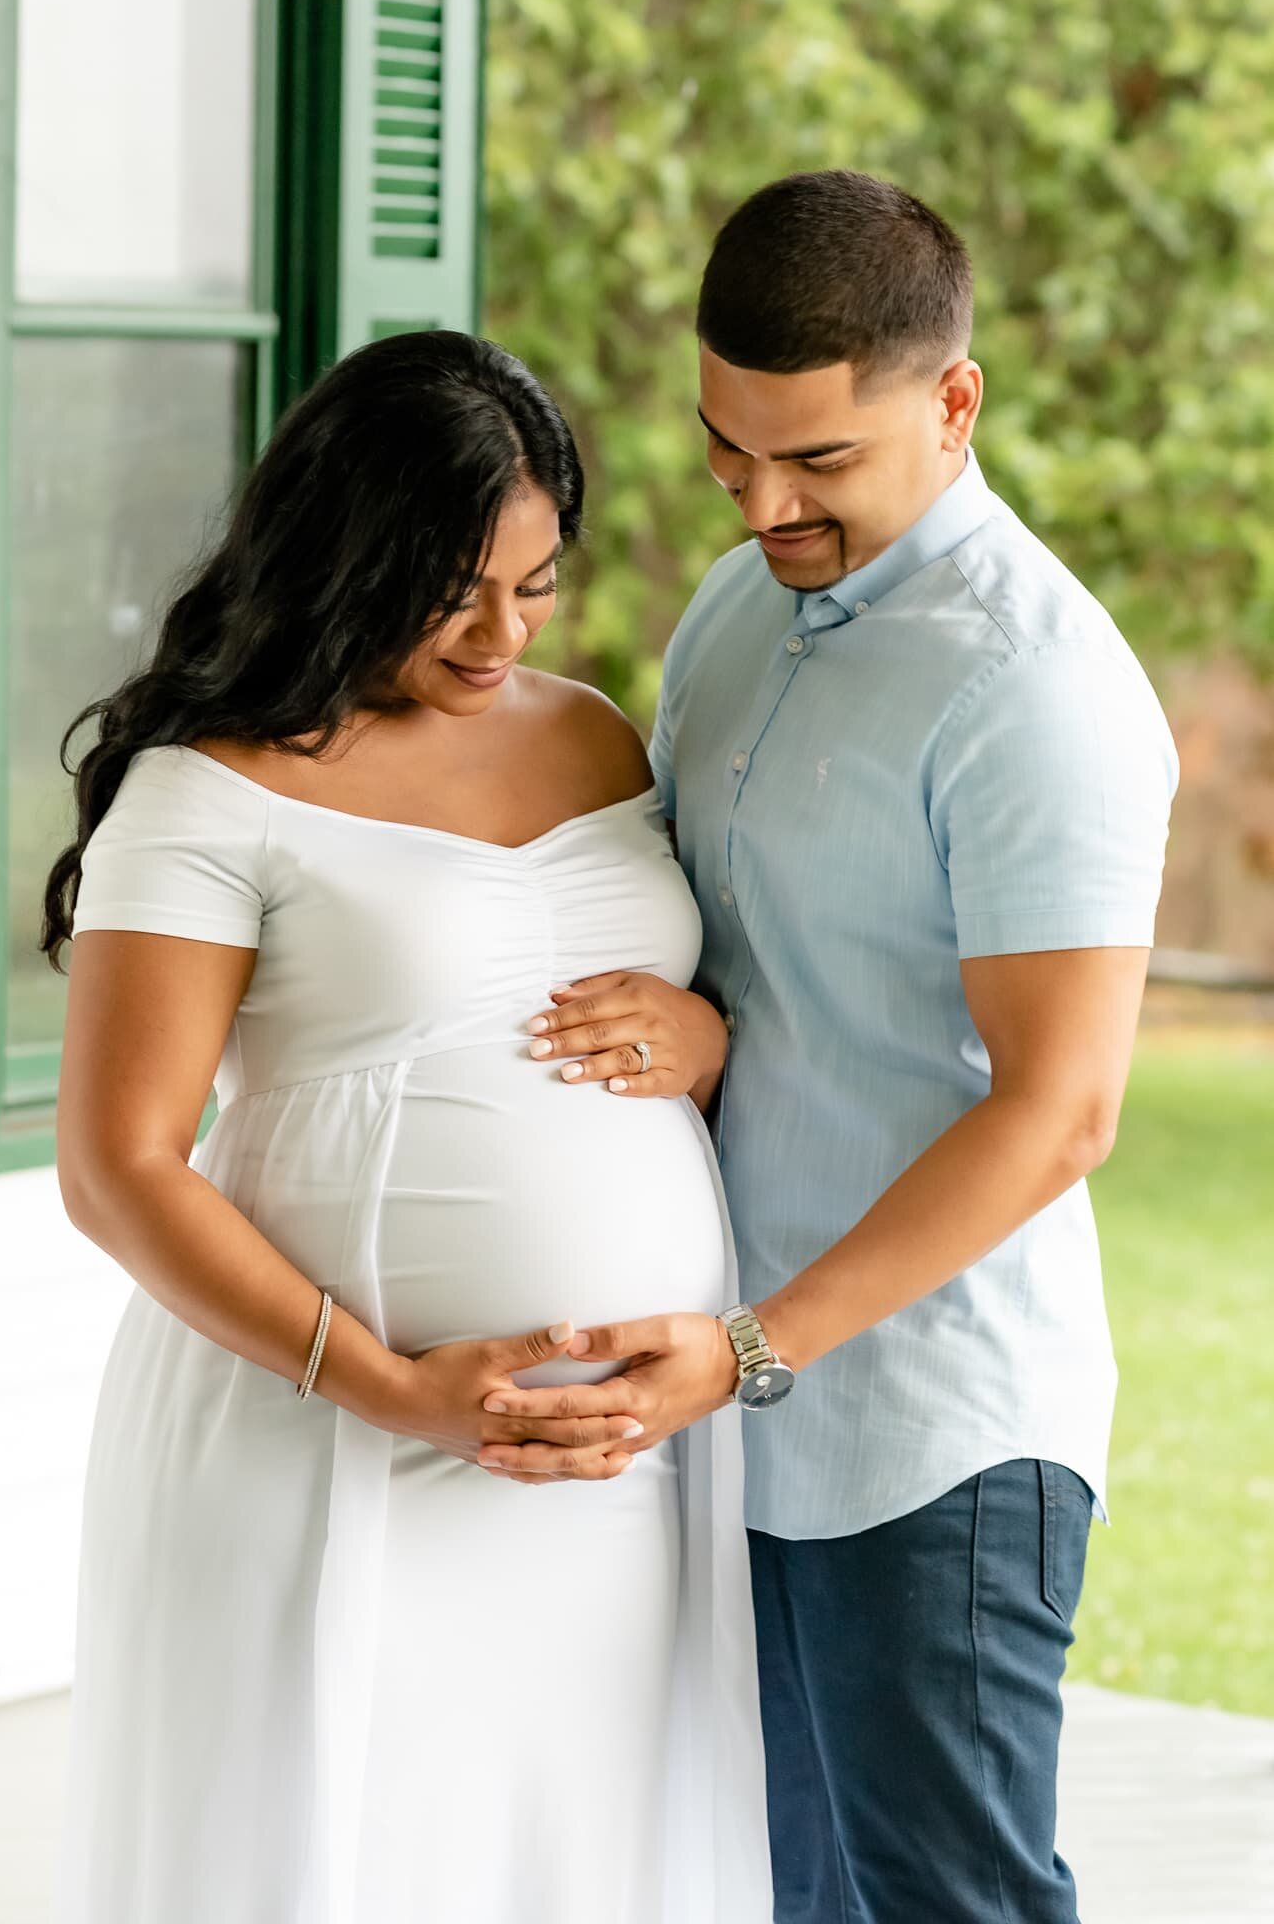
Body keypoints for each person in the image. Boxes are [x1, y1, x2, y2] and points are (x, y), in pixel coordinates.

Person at [477, 171, 1181, 1922]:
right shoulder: (736, 610)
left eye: (817, 465)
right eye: (729, 452)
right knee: (782, 1894)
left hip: (925, 1437)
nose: (766, 503)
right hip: (733, 1413)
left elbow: (1059, 1108)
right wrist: (703, 1025)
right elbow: (742, 955)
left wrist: (749, 1351)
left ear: (951, 404)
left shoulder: (1037, 690)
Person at [45, 331, 774, 1923]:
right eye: (454, 588)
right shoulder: (209, 789)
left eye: (536, 584)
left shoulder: (591, 734)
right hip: (330, 1441)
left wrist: (702, 1032)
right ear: (344, 552)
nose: (499, 633)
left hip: (606, 1474)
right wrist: (394, 1390)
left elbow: (661, 1000)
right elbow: (116, 1170)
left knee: (576, 1852)